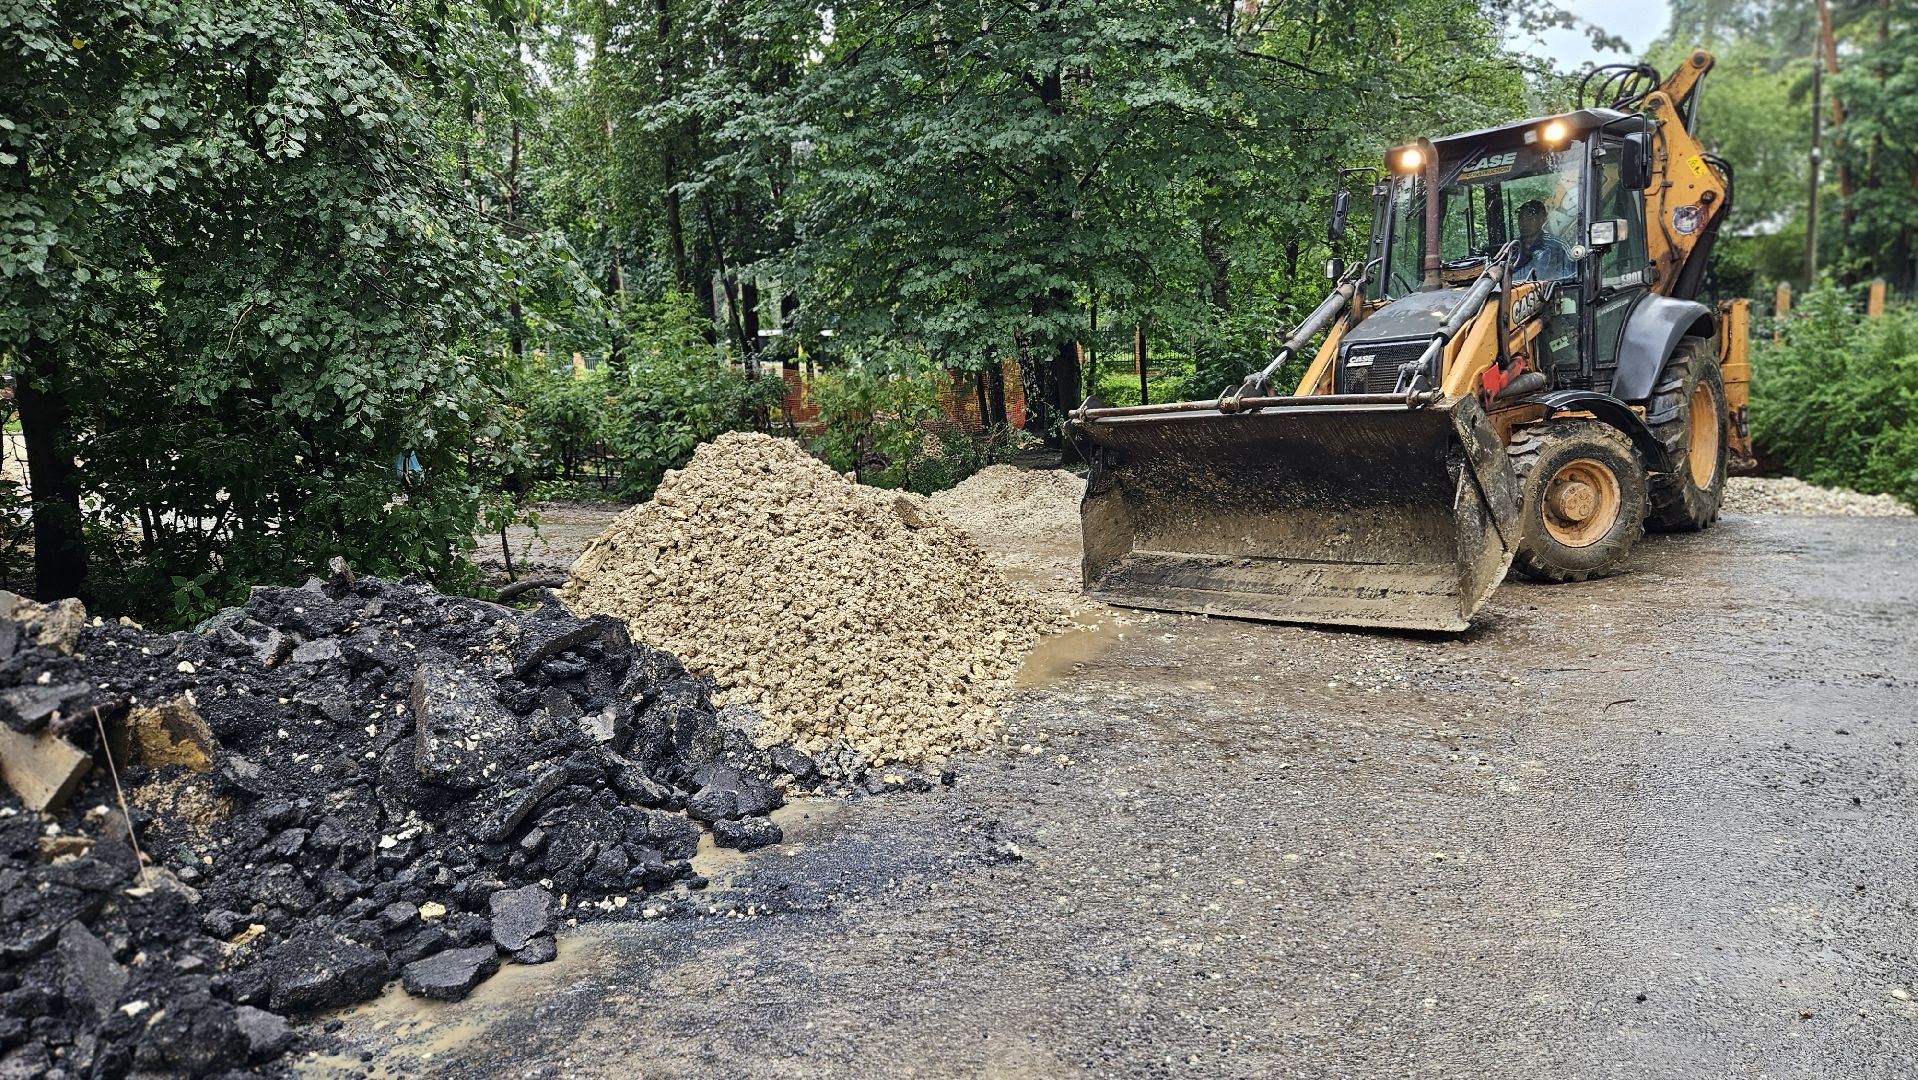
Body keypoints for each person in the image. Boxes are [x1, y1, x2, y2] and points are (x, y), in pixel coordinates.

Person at [1512, 199, 1576, 283]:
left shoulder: (1557, 245)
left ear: (1542, 219)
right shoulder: (1511, 249)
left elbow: (1573, 274)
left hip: (1548, 294)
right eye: (1521, 219)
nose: (1523, 223)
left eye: (1529, 219)